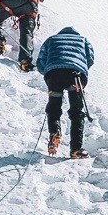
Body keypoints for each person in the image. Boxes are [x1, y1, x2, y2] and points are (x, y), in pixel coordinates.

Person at [35, 27, 95, 159]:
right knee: (77, 111)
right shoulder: (83, 40)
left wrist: (47, 72)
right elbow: (90, 59)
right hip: (76, 75)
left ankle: (55, 131)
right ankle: (76, 149)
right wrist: (81, 68)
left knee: (54, 106)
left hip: (54, 75)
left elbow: (40, 61)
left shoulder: (51, 40)